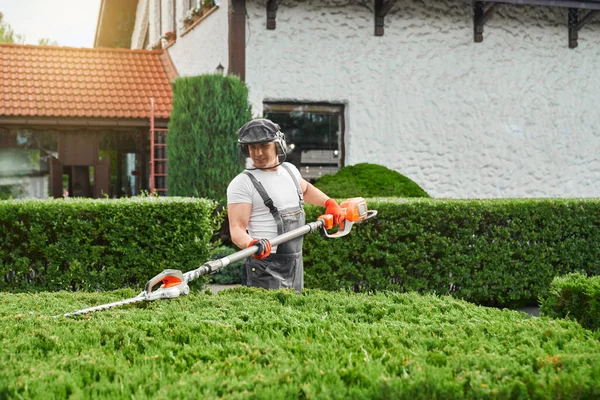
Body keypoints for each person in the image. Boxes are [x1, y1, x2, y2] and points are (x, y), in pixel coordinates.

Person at [226, 118, 344, 293]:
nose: (257, 153)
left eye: (264, 146)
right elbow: (236, 229)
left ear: (278, 144)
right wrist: (251, 243)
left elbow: (305, 189)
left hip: (295, 262)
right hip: (265, 265)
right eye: (252, 147)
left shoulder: (290, 170)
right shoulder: (242, 183)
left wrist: (329, 202)